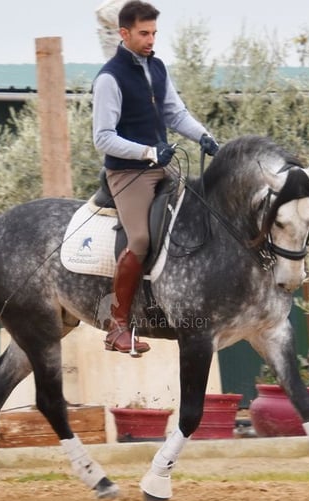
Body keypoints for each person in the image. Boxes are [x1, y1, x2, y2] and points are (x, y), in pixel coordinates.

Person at [93, 0, 219, 355]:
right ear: (124, 33)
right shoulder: (109, 79)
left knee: (200, 219)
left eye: (154, 33)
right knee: (141, 240)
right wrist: (148, 152)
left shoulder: (157, 67)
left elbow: (174, 113)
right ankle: (117, 325)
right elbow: (102, 137)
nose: (151, 40)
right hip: (128, 174)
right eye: (144, 33)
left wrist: (205, 137)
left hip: (163, 166)